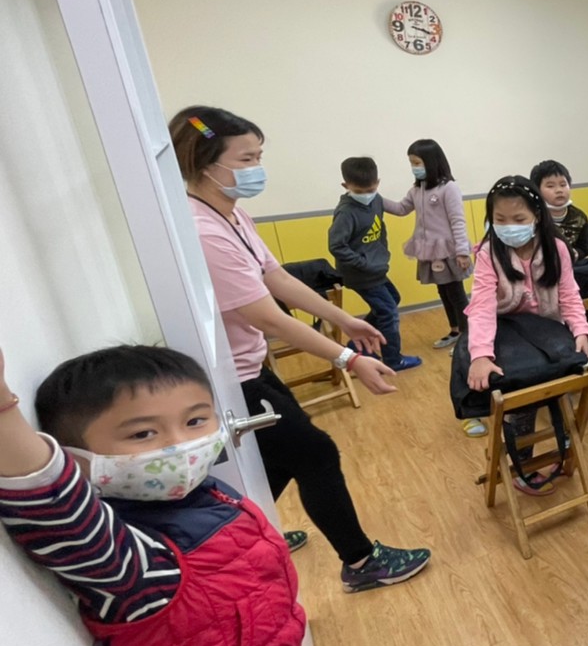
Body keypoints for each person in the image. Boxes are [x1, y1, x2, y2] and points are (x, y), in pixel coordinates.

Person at [0, 344, 326, 646]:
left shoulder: (208, 495)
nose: (180, 446)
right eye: (143, 433)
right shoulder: (132, 561)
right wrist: (4, 411)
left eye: (195, 421)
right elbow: (54, 507)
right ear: (78, 459)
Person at [170, 107, 431, 591]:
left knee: (277, 460)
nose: (257, 168)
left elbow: (277, 277)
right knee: (315, 454)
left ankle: (242, 541)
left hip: (250, 365)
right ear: (204, 162)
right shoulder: (202, 230)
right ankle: (360, 562)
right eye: (246, 159)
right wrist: (348, 357)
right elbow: (268, 316)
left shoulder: (231, 213)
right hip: (231, 380)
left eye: (259, 156)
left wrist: (343, 319)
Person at [463, 176, 588, 445]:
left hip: (547, 329)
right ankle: (521, 453)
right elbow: (482, 306)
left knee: (561, 383)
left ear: (537, 216)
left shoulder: (556, 248)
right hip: (507, 331)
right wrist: (481, 354)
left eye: (519, 219)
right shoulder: (489, 252)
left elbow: (569, 293)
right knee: (521, 394)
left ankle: (565, 445)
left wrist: (580, 330)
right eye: (500, 219)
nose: (509, 226)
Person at [329, 157, 421, 372]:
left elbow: (392, 218)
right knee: (388, 312)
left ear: (377, 183)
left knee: (392, 301)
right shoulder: (346, 212)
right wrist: (363, 263)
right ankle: (393, 359)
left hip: (375, 269)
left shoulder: (376, 200)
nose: (366, 194)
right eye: (359, 191)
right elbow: (336, 246)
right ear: (346, 186)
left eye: (370, 189)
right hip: (360, 274)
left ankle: (358, 345)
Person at [382, 139, 471, 351]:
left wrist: (462, 252)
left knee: (456, 294)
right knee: (443, 292)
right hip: (430, 251)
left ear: (431, 162)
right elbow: (401, 209)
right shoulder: (417, 190)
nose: (414, 168)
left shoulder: (448, 188)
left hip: (449, 251)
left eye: (417, 163)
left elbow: (458, 221)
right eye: (411, 163)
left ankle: (468, 337)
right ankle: (455, 330)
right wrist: (374, 197)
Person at [531, 158, 588, 260]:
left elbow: (583, 249)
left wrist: (574, 254)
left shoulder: (580, 217)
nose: (559, 190)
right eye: (550, 186)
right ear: (537, 189)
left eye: (563, 185)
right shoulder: (532, 217)